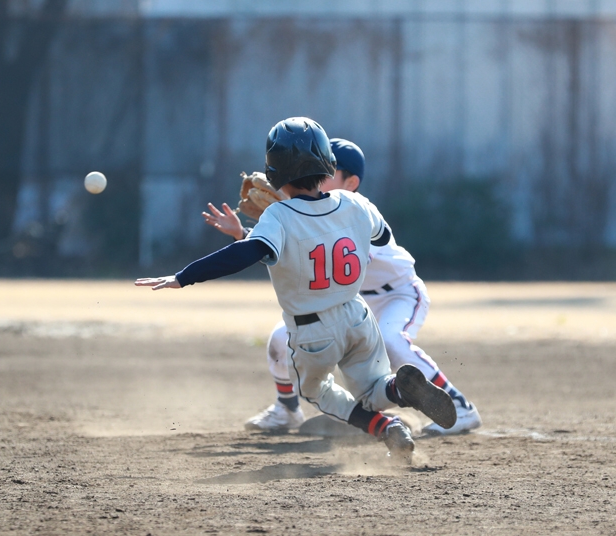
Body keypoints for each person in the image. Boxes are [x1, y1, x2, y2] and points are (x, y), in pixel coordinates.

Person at [137, 117, 456, 460]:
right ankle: (400, 390)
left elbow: (246, 255)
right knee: (374, 388)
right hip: (358, 317)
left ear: (273, 173)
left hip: (314, 330)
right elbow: (380, 237)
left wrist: (185, 275)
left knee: (318, 391)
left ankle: (385, 427)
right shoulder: (356, 204)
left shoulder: (277, 217)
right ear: (328, 164)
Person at [202, 138, 482, 436]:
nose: (318, 172)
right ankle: (287, 409)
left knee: (391, 341)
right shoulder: (311, 212)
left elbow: (325, 251)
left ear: (351, 182)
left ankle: (459, 406)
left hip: (397, 295)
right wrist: (245, 234)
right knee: (281, 337)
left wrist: (289, 213)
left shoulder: (354, 210)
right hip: (350, 301)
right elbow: (291, 252)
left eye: (329, 168)